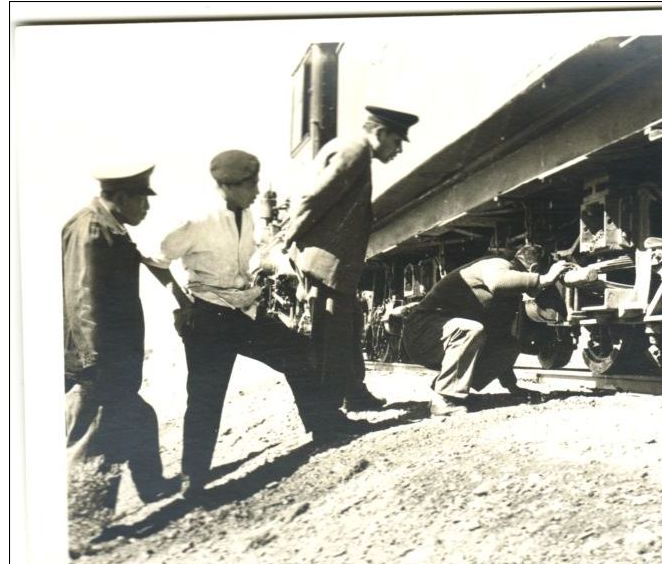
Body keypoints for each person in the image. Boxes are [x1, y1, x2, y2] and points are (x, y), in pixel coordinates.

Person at [154, 150, 324, 500]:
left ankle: (324, 428)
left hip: (244, 313)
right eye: (251, 184)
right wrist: (183, 303)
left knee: (298, 353)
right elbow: (156, 259)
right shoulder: (196, 218)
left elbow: (260, 256)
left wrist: (281, 268)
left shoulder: (247, 217)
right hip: (208, 317)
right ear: (227, 186)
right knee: (205, 397)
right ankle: (194, 480)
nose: (257, 190)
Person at [63, 163, 179, 555]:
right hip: (96, 361)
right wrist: (94, 362)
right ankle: (81, 532)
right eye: (143, 199)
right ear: (123, 196)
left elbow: (144, 260)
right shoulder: (92, 230)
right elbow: (84, 297)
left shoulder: (109, 227)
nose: (146, 208)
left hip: (110, 357)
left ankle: (153, 488)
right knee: (94, 439)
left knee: (139, 418)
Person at [281, 105, 419, 418]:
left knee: (351, 322)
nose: (397, 150)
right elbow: (312, 198)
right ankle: (329, 415)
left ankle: (354, 393)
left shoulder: (350, 148)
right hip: (326, 262)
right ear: (380, 133)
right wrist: (289, 236)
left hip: (332, 262)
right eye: (397, 142)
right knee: (332, 334)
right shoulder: (355, 151)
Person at [401, 245, 572, 416]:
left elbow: (500, 340)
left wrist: (513, 387)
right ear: (533, 268)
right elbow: (497, 282)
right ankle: (444, 398)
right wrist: (545, 279)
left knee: (509, 344)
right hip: (422, 330)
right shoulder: (496, 263)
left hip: (440, 334)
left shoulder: (509, 297)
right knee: (470, 330)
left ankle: (447, 387)